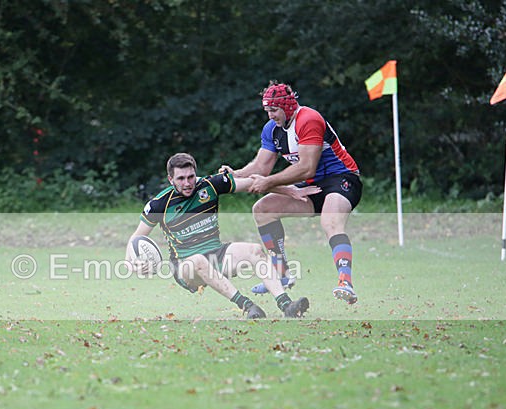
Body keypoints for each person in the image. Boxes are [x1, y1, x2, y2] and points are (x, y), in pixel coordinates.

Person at [126, 152, 317, 318]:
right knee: (199, 261)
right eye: (181, 179)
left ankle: (286, 305)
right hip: (185, 266)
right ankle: (247, 306)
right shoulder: (159, 204)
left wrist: (289, 190)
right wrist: (132, 264)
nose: (187, 183)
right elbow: (136, 239)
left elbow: (254, 183)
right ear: (171, 180)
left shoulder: (210, 185)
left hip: (217, 254)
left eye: (191, 177)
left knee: (255, 250)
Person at [220, 80, 362, 304]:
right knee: (263, 209)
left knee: (330, 222)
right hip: (311, 186)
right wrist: (234, 174)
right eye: (267, 111)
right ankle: (283, 275)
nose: (270, 116)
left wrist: (268, 183)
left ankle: (345, 282)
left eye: (274, 110)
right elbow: (260, 168)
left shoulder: (308, 119)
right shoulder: (272, 129)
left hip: (341, 179)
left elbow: (306, 167)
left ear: (287, 107)